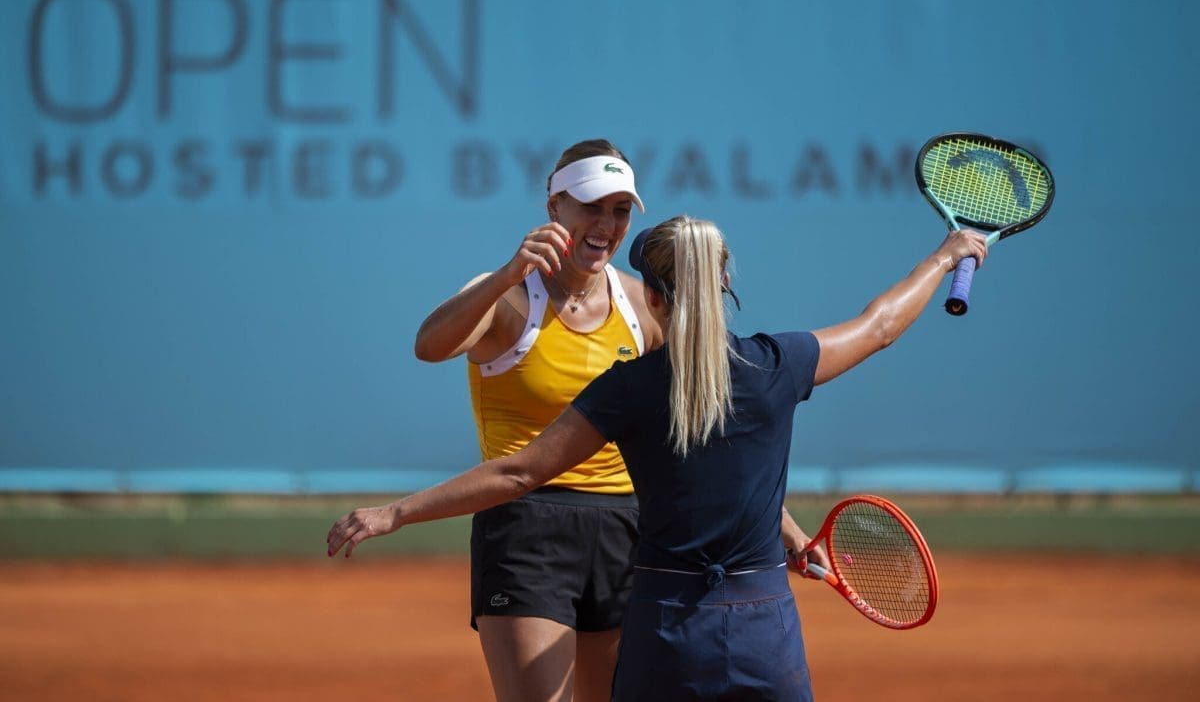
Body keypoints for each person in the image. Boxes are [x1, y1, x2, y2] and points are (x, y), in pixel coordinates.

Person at [329, 214, 988, 700]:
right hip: (768, 634)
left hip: (666, 635)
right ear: (725, 283)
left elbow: (517, 471)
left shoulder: (629, 388)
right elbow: (879, 326)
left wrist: (396, 512)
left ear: (651, 295)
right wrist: (945, 253)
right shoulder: (777, 365)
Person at [408, 139, 664, 702]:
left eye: (620, 210)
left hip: (626, 528)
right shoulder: (506, 297)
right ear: (554, 207)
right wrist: (504, 275)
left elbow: (699, 423)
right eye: (591, 206)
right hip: (525, 529)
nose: (606, 224)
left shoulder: (643, 304)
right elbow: (428, 346)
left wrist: (781, 525)